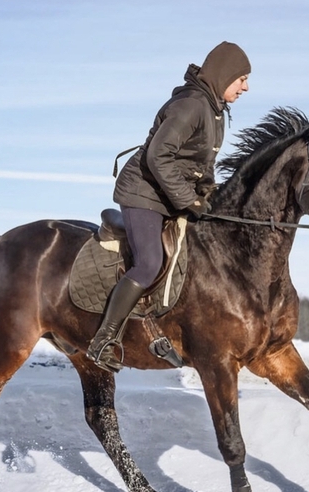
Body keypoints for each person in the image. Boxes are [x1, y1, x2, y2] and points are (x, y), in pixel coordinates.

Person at [86, 41, 251, 373]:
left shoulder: (216, 110)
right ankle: (103, 340)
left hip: (169, 193)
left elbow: (203, 166)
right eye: (241, 79)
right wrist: (188, 200)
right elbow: (157, 157)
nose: (246, 87)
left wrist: (210, 200)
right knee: (149, 263)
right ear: (224, 75)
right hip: (143, 193)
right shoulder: (191, 106)